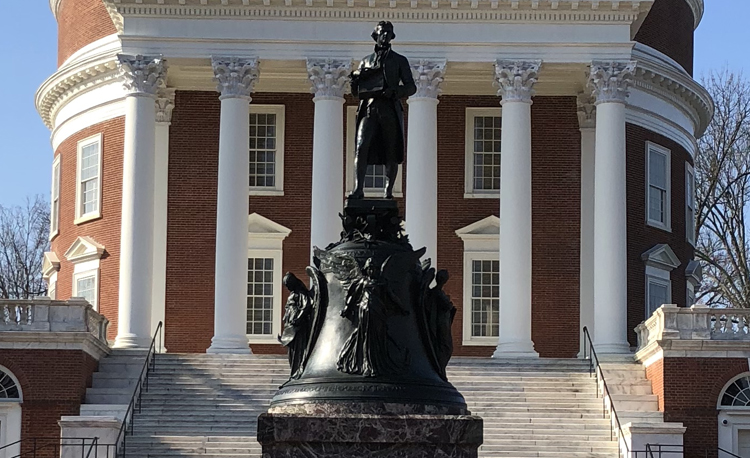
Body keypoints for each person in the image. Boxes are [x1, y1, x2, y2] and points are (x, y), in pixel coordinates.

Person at [349, 21, 416, 200]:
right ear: (375, 35)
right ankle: (358, 189)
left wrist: (395, 91)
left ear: (392, 36)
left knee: (391, 151)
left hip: (389, 108)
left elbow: (411, 87)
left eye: (388, 32)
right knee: (361, 147)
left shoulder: (400, 60)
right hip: (370, 108)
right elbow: (356, 93)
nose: (385, 35)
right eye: (382, 32)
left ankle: (388, 190)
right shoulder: (365, 61)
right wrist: (354, 81)